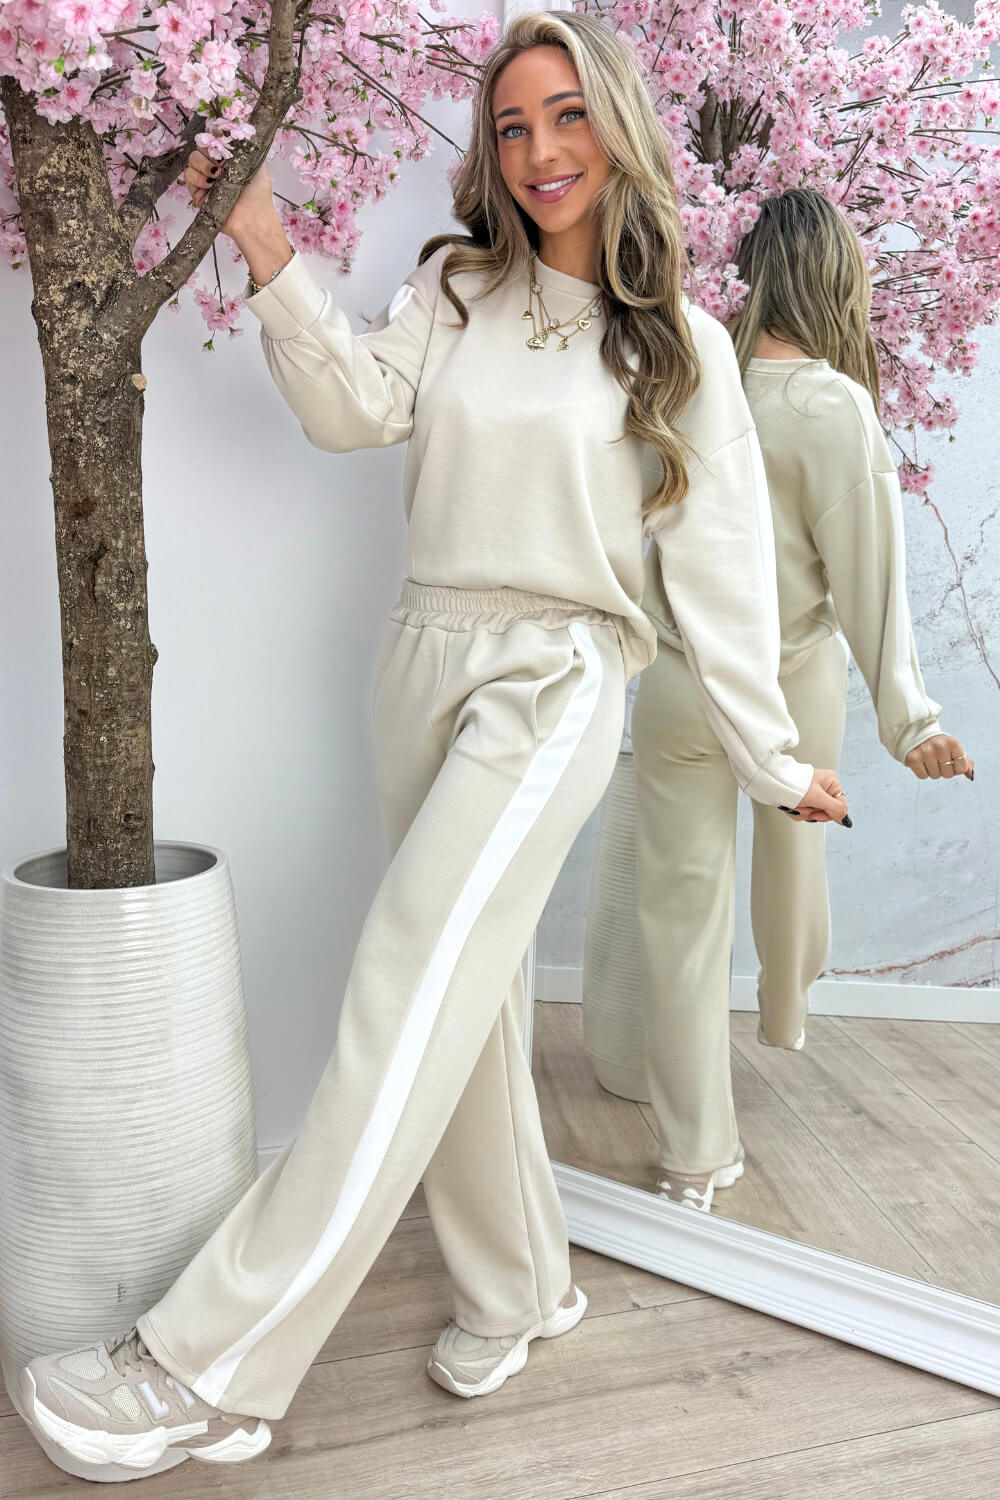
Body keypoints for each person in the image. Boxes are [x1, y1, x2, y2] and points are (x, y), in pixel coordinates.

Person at [12, 17, 847, 1483]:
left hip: (557, 674)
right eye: (511, 126)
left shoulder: (682, 347)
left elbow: (720, 577)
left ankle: (209, 1366)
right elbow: (354, 412)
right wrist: (265, 245)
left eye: (567, 115)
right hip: (416, 661)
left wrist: (773, 760)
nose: (540, 152)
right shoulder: (455, 286)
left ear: (619, 127)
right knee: (459, 1013)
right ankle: (523, 1287)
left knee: (399, 985)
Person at [633, 186, 973, 1214]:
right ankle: (783, 1011)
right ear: (836, 278)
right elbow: (870, 578)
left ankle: (692, 1156)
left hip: (679, 682)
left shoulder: (688, 381)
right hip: (787, 685)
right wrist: (910, 719)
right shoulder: (832, 407)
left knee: (679, 916)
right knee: (795, 869)